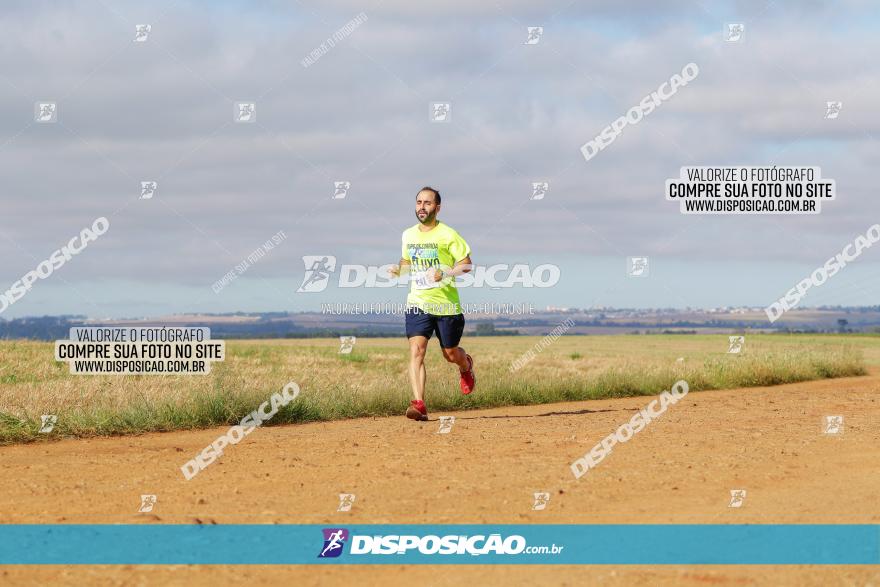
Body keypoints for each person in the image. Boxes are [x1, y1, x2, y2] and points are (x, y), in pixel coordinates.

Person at [388, 186, 476, 421]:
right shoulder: (408, 235)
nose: (422, 207)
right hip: (418, 302)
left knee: (450, 353)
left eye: (427, 203)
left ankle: (465, 365)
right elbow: (406, 261)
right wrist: (399, 270)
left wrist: (445, 273)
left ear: (437, 207)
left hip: (446, 305)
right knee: (417, 350)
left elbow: (466, 264)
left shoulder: (448, 234)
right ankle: (419, 404)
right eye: (418, 202)